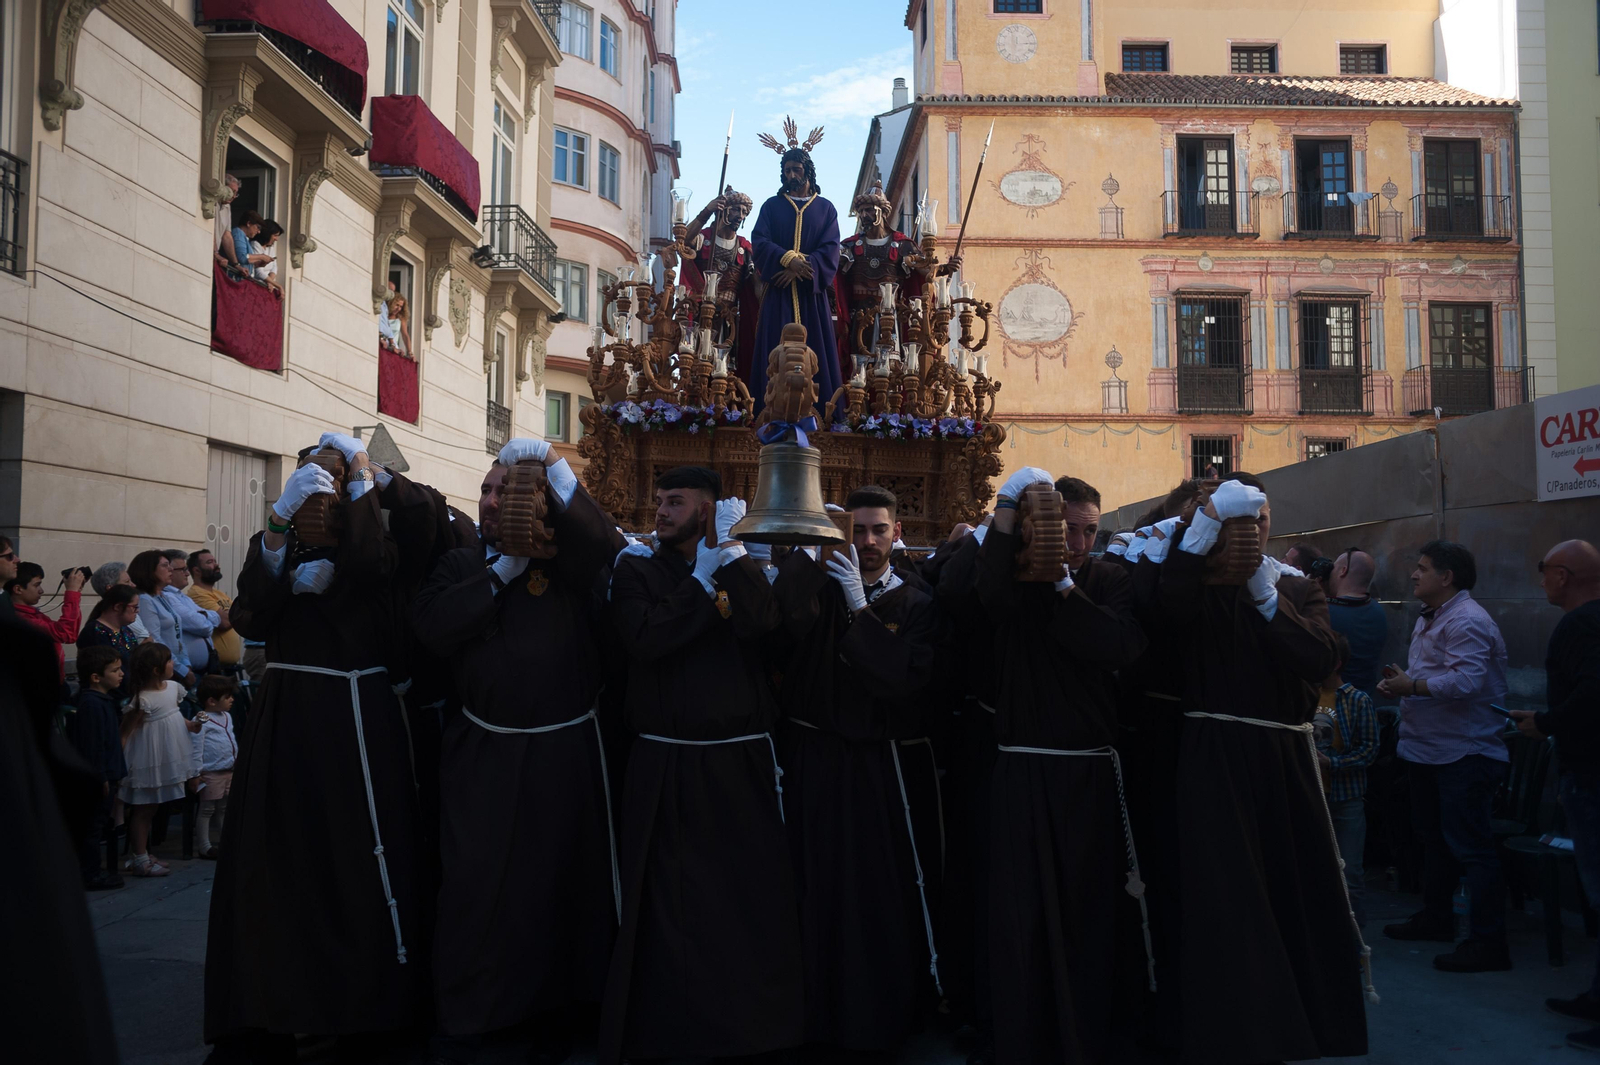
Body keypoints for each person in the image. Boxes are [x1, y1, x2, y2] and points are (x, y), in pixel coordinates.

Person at [204, 432, 444, 1064]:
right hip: (288, 717)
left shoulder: (385, 546)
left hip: (357, 713)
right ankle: (279, 998)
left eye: (334, 479)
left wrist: (364, 473)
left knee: (356, 849)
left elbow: (372, 563)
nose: (323, 490)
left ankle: (362, 1001)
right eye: (313, 477)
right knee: (282, 853)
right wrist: (279, 539)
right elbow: (249, 615)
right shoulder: (278, 543)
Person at [411, 436, 624, 1064]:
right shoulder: (458, 564)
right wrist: (498, 575)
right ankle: (476, 1013)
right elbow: (433, 629)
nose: (491, 500)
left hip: (566, 752)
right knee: (478, 885)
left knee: (563, 883)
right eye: (486, 489)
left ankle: (564, 1009)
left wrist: (557, 471)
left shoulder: (567, 564)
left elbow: (608, 548)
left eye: (506, 490)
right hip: (485, 752)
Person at [1160, 473, 1369, 1062]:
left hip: (1282, 763)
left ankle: (1293, 1025)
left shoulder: (1297, 588)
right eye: (1240, 520)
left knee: (1289, 892)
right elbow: (1167, 616)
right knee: (1223, 896)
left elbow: (1320, 658)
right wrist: (1197, 543)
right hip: (1214, 758)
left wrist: (1264, 595)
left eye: (1261, 519)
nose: (1253, 530)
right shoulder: (1195, 583)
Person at [599, 466, 802, 1065]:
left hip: (739, 764)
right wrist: (699, 582)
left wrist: (732, 558)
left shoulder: (740, 567)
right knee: (669, 904)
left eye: (676, 502)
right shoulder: (637, 569)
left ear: (708, 511)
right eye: (660, 500)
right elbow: (645, 638)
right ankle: (666, 1031)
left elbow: (767, 626)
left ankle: (748, 1031)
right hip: (667, 761)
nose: (661, 511)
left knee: (741, 901)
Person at [977, 468, 1149, 1063]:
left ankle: (1086, 1035)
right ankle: (1018, 1037)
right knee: (1017, 914)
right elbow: (985, 596)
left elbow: (1119, 647)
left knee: (1087, 911)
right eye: (1067, 530)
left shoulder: (1110, 580)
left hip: (1086, 777)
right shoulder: (1013, 582)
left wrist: (1065, 590)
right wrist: (1007, 512)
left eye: (1088, 532)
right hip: (1022, 772)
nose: (1077, 544)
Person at [768, 483, 940, 1053]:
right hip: (814, 761)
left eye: (878, 530)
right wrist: (810, 556)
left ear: (897, 533)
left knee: (872, 894)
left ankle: (875, 1018)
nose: (867, 542)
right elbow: (777, 631)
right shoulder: (816, 588)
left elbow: (901, 680)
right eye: (856, 530)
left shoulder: (916, 602)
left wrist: (861, 610)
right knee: (809, 885)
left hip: (874, 770)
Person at [1379, 539, 1511, 972]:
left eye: (1422, 568)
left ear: (1446, 577)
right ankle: (1437, 919)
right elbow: (1436, 676)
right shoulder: (1433, 615)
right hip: (1429, 751)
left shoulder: (1467, 620)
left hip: (1463, 754)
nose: (1414, 575)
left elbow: (1466, 682)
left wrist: (1412, 687)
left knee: (1471, 849)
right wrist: (1403, 683)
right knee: (1435, 842)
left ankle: (1488, 944)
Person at [1514, 540, 1600, 1050]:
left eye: (1544, 569)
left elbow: (1593, 694)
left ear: (1563, 575)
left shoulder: (1581, 626)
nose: (1541, 578)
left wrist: (1545, 724)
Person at [749, 118, 843, 411]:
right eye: (787, 170)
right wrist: (789, 260)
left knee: (817, 350)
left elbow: (831, 248)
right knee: (773, 349)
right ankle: (768, 411)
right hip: (778, 293)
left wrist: (803, 267)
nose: (791, 175)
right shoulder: (771, 206)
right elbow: (759, 240)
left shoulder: (825, 208)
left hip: (810, 294)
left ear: (808, 171)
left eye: (797, 170)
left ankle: (822, 412)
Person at [118, 641, 201, 878]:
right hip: (148, 760)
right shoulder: (143, 700)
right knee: (144, 808)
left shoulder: (173, 688)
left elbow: (172, 715)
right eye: (169, 660)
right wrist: (119, 767)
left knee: (152, 807)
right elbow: (125, 733)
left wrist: (191, 725)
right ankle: (140, 858)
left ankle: (142, 853)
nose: (174, 663)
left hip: (168, 755)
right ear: (156, 669)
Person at [1315, 633, 1381, 926]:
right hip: (1312, 796)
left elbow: (1369, 750)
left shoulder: (1357, 700)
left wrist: (1332, 763)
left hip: (1345, 800)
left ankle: (1354, 937)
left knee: (1349, 871)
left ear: (1336, 662)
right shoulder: (1305, 694)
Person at [678, 187, 761, 379]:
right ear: (723, 210)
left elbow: (757, 284)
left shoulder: (744, 247)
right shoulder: (704, 238)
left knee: (725, 370)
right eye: (736, 209)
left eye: (744, 212)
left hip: (729, 318)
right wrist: (707, 211)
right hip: (701, 313)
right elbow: (684, 240)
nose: (740, 216)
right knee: (698, 365)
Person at [66, 646, 129, 890]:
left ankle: (92, 871)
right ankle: (90, 875)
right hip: (99, 779)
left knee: (98, 824)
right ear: (96, 677)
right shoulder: (92, 705)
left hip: (108, 774)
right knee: (93, 827)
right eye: (114, 670)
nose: (121, 674)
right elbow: (93, 747)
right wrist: (101, 777)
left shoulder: (103, 701)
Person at [7, 560, 85, 682]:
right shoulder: (21, 619)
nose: (41, 591)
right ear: (18, 589)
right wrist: (72, 593)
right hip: (39, 685)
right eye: (36, 585)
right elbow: (65, 633)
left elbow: (70, 636)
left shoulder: (31, 613)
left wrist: (76, 592)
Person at [190, 674, 239, 861]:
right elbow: (196, 747)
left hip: (228, 770)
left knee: (224, 807)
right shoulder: (202, 720)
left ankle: (226, 842)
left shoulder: (227, 716)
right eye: (227, 697)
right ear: (211, 701)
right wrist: (196, 773)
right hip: (210, 772)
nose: (231, 699)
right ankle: (205, 846)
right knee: (207, 809)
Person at [1327, 547, 1387, 699]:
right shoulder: (1378, 612)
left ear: (1343, 571)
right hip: (1363, 702)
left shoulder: (1326, 612)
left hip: (1330, 703)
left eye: (1333, 568)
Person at [130, 550, 195, 686]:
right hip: (163, 669)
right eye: (165, 565)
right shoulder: (145, 600)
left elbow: (178, 634)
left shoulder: (162, 597)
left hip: (177, 666)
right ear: (149, 570)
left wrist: (186, 663)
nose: (170, 569)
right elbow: (155, 639)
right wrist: (181, 670)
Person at [79, 584, 143, 698]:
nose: (137, 611)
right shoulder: (95, 632)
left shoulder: (125, 630)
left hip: (131, 694)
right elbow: (106, 672)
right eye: (134, 607)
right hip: (109, 698)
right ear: (118, 607)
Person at [165, 549, 220, 677]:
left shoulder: (183, 597)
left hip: (203, 670)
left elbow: (217, 618)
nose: (187, 573)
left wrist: (204, 616)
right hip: (184, 672)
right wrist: (205, 617)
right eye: (183, 569)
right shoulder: (168, 597)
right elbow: (202, 626)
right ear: (170, 571)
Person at [187, 550, 242, 672]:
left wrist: (236, 615)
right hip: (215, 669)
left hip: (230, 668)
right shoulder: (197, 594)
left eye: (215, 561)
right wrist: (237, 614)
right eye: (209, 562)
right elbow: (224, 622)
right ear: (197, 570)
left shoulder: (219, 594)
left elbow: (238, 617)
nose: (216, 565)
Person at [92, 561, 152, 641]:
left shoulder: (126, 623)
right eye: (127, 582)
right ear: (111, 588)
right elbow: (146, 640)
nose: (133, 585)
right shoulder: (122, 618)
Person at [214, 173, 241, 269]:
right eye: (231, 191)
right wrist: (215, 254)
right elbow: (210, 229)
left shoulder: (227, 207)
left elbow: (227, 235)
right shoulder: (213, 201)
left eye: (236, 193)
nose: (233, 196)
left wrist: (236, 264)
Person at [249, 219, 283, 294]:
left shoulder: (270, 248)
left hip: (266, 286)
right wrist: (277, 285)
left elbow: (274, 267)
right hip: (255, 286)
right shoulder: (255, 245)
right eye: (275, 235)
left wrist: (270, 282)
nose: (276, 239)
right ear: (267, 233)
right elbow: (258, 271)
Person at [230, 210, 263, 276]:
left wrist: (257, 264)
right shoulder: (238, 233)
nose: (259, 232)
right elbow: (242, 257)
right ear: (249, 223)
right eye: (258, 227)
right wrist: (262, 257)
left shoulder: (244, 237)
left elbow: (244, 261)